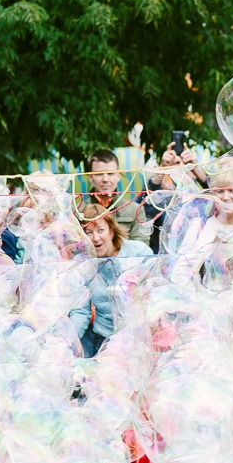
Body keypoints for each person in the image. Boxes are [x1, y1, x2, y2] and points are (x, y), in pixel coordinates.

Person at [74, 203, 153, 357]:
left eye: (100, 230)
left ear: (111, 230)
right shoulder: (82, 264)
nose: (95, 238)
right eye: (88, 232)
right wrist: (67, 342)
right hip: (104, 340)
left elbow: (156, 289)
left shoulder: (139, 251)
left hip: (140, 337)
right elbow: (80, 312)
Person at [78, 148, 151, 246]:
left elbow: (141, 248)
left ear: (118, 176)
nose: (105, 179)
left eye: (110, 174)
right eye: (99, 174)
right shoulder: (78, 211)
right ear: (90, 177)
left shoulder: (135, 210)